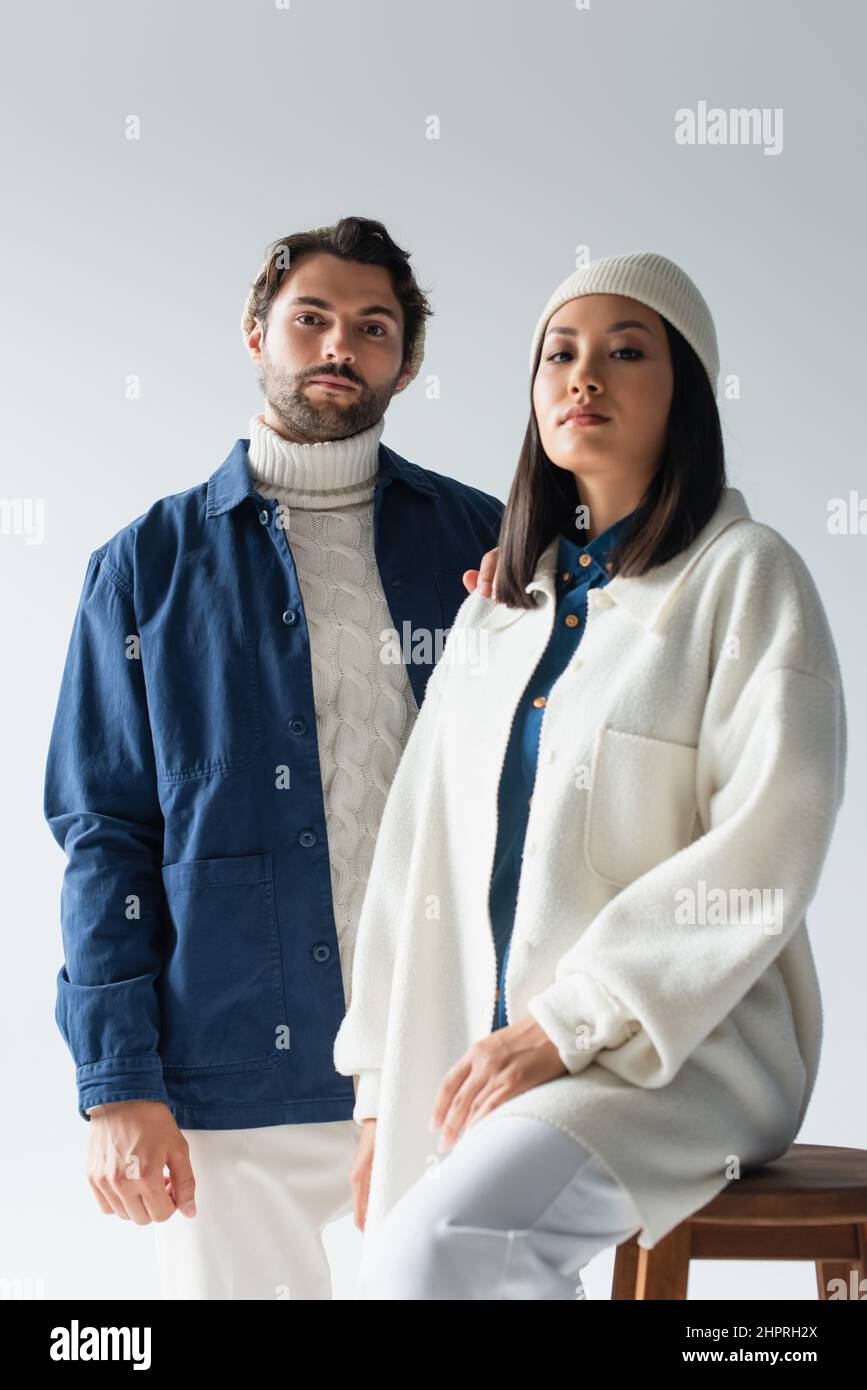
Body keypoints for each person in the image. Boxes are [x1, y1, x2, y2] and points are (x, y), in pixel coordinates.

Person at [333, 250, 848, 1299]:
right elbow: (412, 856)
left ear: (685, 392)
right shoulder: (499, 610)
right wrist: (381, 1089)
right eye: (560, 355)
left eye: (627, 352)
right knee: (410, 1256)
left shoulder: (747, 579)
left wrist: (569, 1021)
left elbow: (768, 840)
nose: (585, 378)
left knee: (444, 1249)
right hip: (490, 1055)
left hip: (678, 1053)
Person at [43, 216, 504, 1300]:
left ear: (406, 359)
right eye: (312, 318)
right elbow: (103, 830)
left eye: (373, 327)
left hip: (444, 1051)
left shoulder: (483, 543)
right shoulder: (146, 567)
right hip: (234, 1060)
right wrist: (117, 1080)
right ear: (257, 334)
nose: (340, 345)